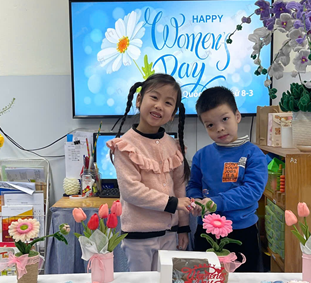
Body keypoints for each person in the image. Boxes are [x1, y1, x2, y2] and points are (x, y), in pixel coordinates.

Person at [109, 73, 192, 271]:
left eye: (168, 102)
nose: (159, 106)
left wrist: (183, 227)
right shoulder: (125, 145)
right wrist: (172, 203)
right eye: (154, 97)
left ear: (172, 114)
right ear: (139, 100)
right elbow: (131, 190)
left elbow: (180, 188)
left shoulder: (174, 146)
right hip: (139, 236)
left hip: (169, 234)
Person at [187, 86, 268, 272]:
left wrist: (216, 202)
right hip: (206, 231)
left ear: (237, 116)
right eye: (210, 125)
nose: (220, 128)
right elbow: (193, 185)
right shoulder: (201, 155)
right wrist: (196, 200)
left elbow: (252, 191)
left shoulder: (253, 153)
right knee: (205, 281)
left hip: (242, 231)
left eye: (225, 119)